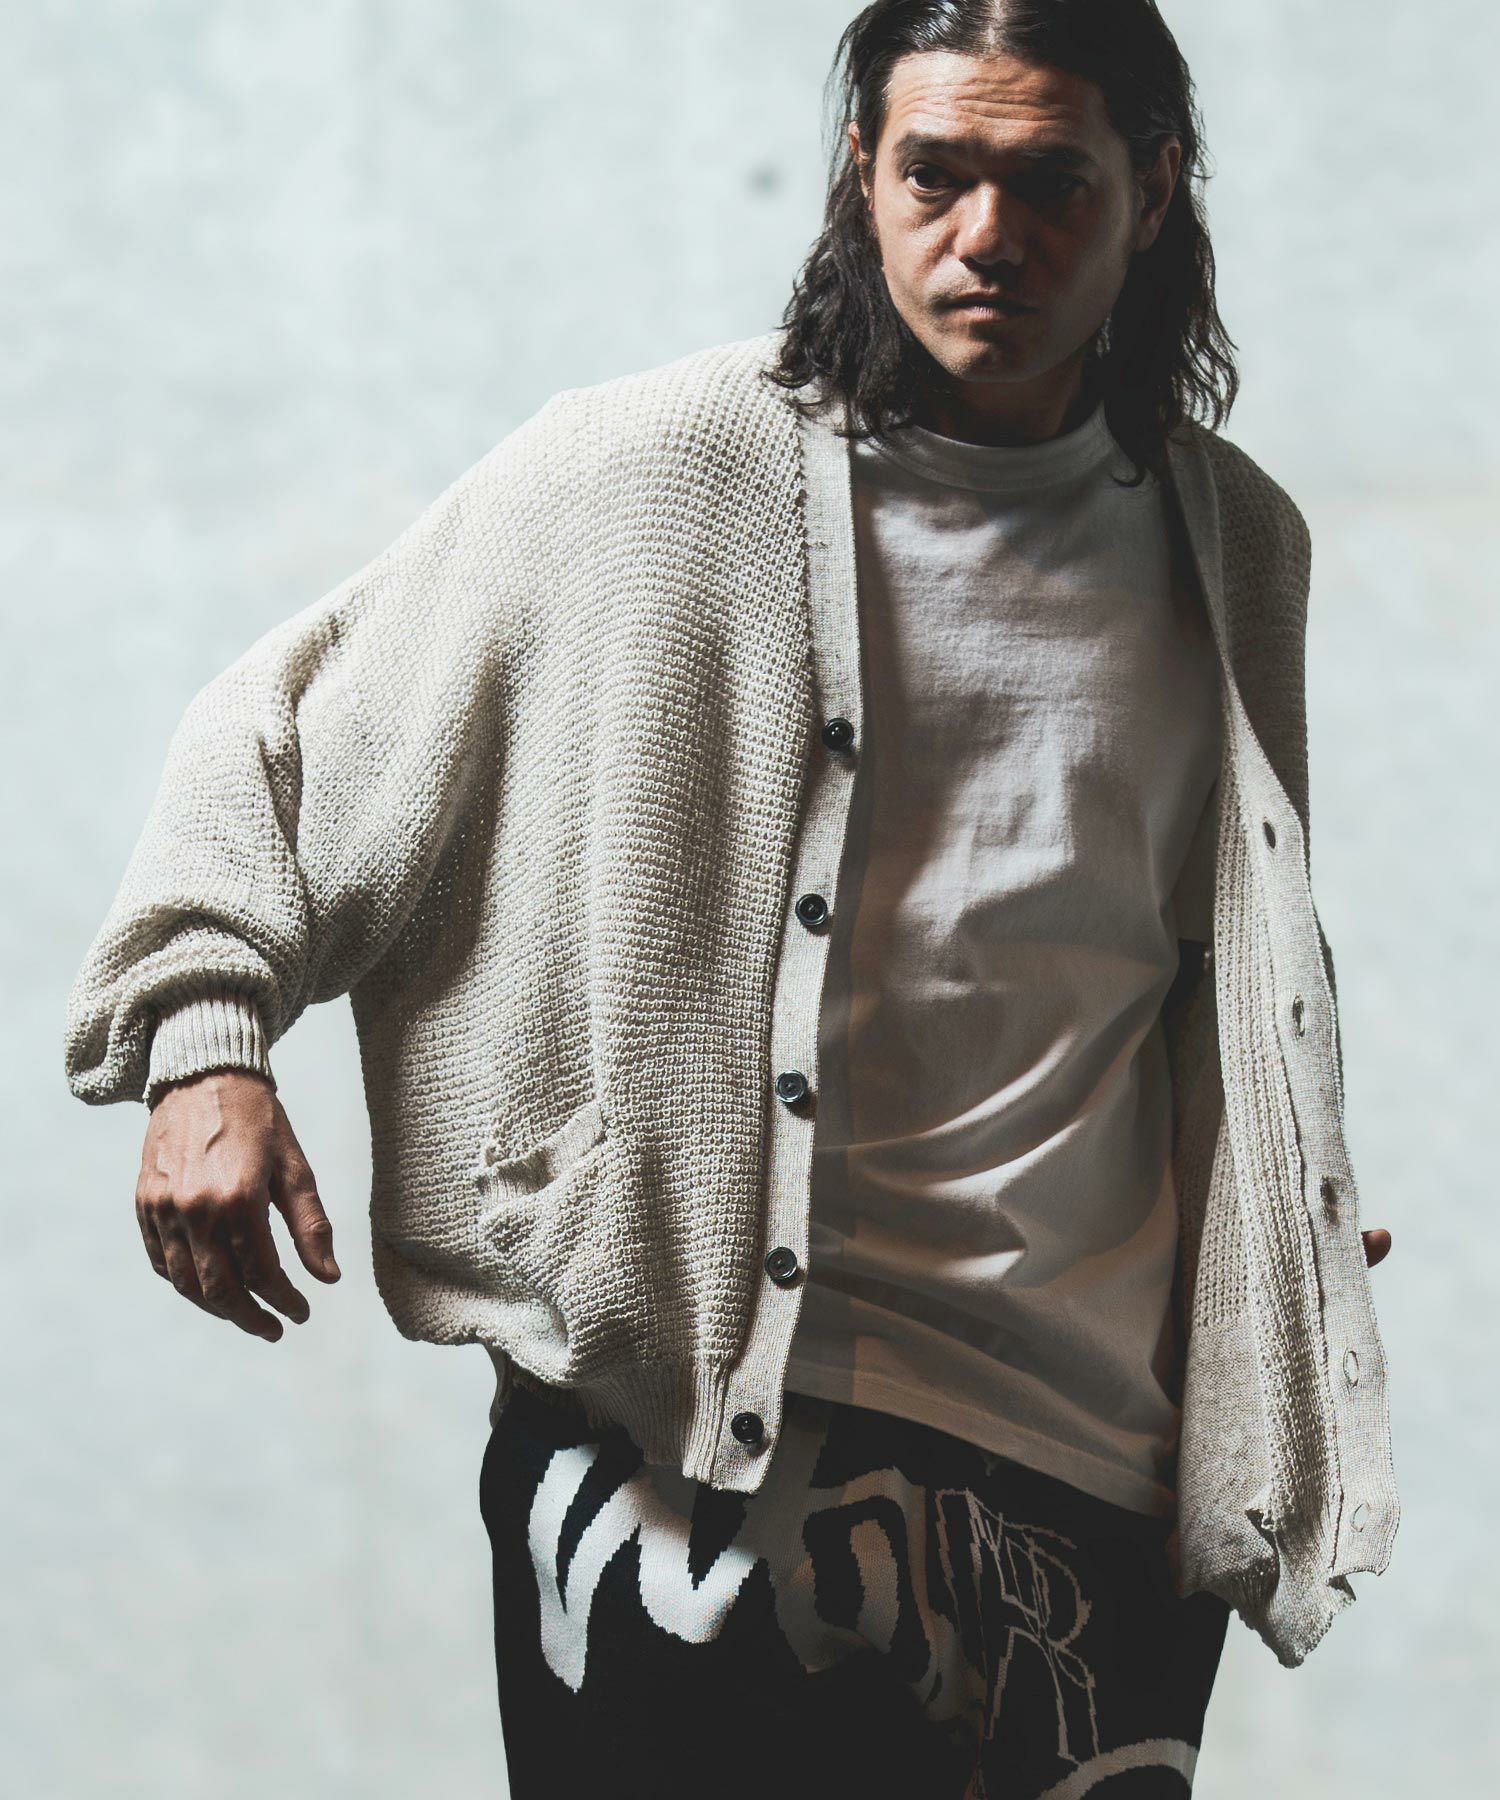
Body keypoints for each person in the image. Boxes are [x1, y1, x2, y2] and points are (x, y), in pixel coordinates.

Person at [64, 2, 1400, 1794]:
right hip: (685, 1463)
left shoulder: (1232, 545)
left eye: (1051, 184)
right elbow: (283, 732)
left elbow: (1185, 968)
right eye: (935, 175)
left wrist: (1258, 1197)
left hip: (1092, 1488)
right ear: (860, 173)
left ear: (1152, 192)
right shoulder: (662, 473)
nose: (988, 236)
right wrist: (204, 1047)